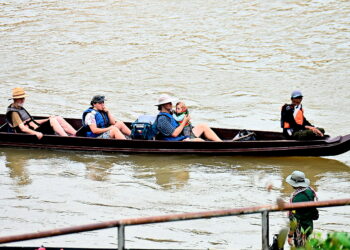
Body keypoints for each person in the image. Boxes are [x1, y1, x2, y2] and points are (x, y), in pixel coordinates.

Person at [6, 87, 77, 140]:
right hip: (33, 132)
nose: (23, 100)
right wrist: (36, 133)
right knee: (53, 121)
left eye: (23, 98)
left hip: (37, 128)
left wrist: (47, 119)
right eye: (20, 98)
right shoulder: (14, 112)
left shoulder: (19, 108)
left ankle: (76, 134)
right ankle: (66, 139)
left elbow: (31, 121)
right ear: (15, 99)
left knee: (56, 118)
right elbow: (22, 128)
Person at [155, 94, 222, 141]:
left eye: (170, 102)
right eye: (167, 102)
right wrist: (184, 121)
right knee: (199, 140)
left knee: (203, 126)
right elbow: (174, 134)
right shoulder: (162, 119)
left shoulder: (170, 112)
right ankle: (217, 148)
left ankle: (220, 143)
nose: (170, 104)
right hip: (177, 139)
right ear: (162, 105)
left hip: (183, 134)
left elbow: (181, 111)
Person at [286, 170, 319, 247]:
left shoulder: (296, 198)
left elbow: (294, 220)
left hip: (301, 230)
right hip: (309, 226)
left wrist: (290, 236)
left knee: (300, 246)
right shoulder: (310, 191)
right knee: (307, 245)